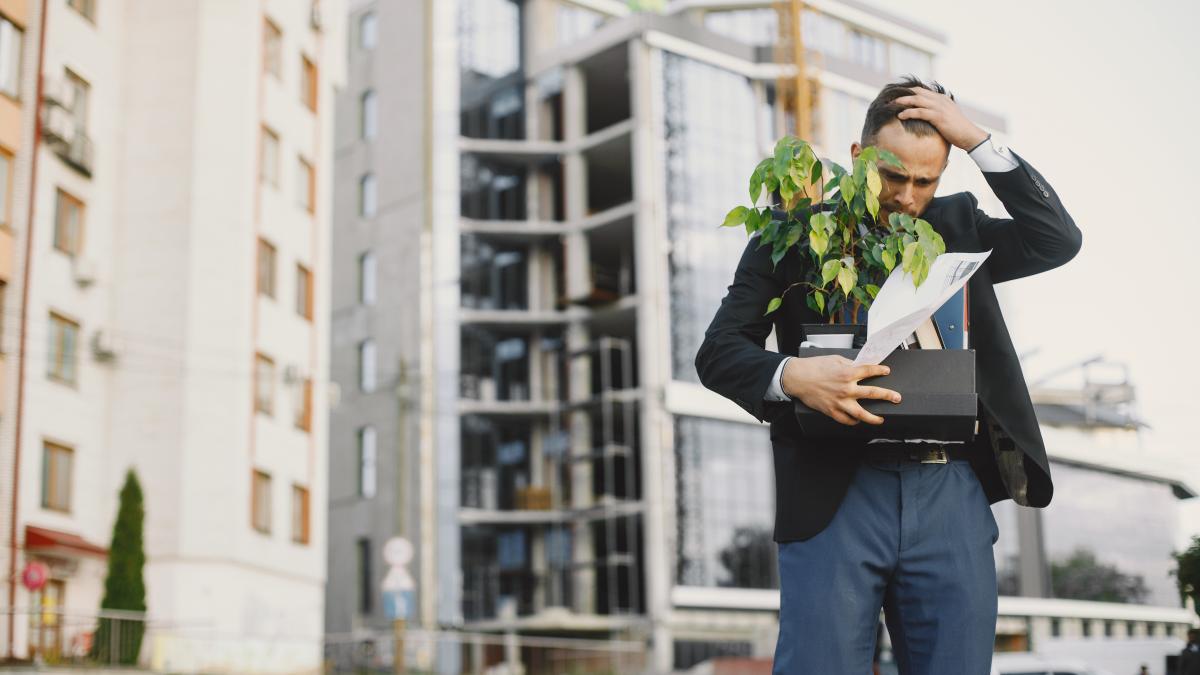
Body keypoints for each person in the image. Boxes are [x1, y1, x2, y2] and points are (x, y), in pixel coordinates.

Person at [694, 76, 1081, 674]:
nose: (906, 196)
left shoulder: (959, 224)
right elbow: (718, 351)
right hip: (833, 492)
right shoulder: (790, 235)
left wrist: (976, 140)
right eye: (892, 176)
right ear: (858, 158)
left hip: (951, 491)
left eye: (926, 181)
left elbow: (1056, 239)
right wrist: (793, 376)